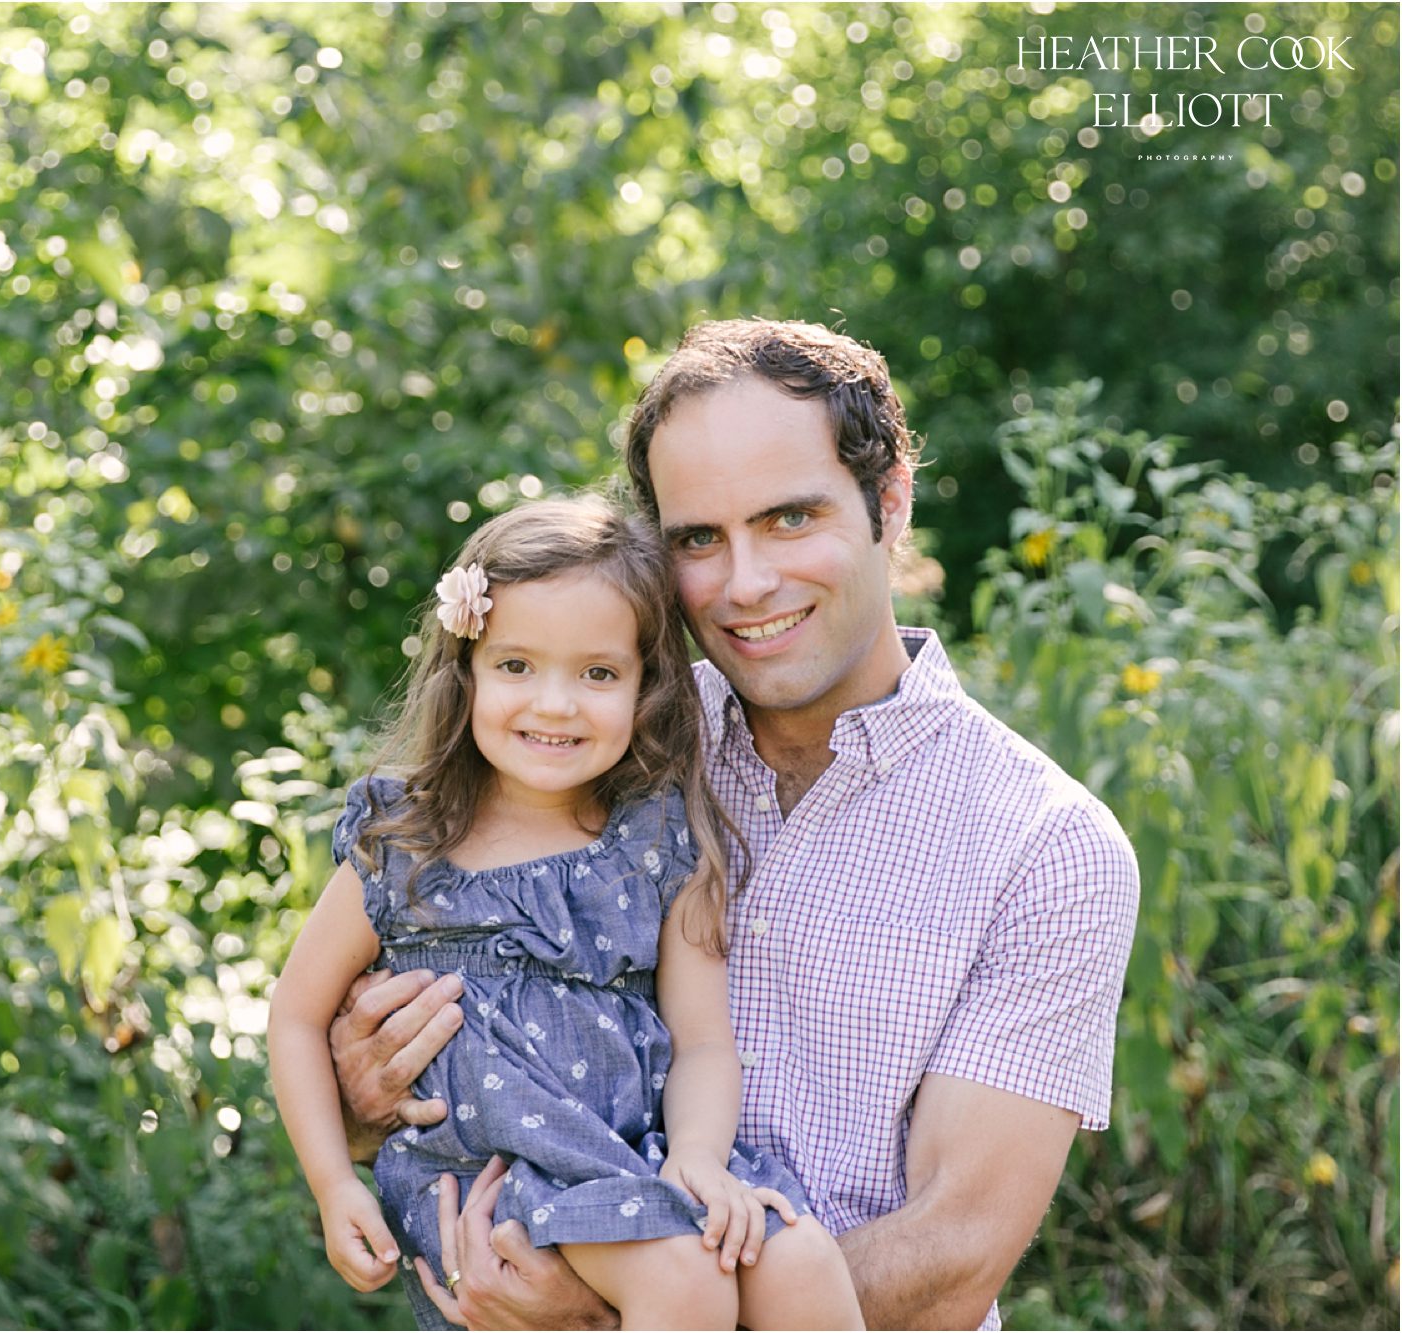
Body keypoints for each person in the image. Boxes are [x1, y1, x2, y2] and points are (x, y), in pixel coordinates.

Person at [327, 319, 1140, 1330]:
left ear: (889, 502)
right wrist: (364, 1099)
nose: (745, 583)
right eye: (698, 540)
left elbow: (951, 1252)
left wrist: (629, 1302)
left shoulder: (1046, 846)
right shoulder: (586, 753)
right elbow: (417, 1059)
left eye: (789, 518)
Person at [268, 498, 865, 1330]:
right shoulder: (407, 840)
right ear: (466, 670)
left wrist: (698, 1157)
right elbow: (296, 1014)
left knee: (802, 1261)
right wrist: (334, 1184)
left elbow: (703, 1041)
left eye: (597, 674)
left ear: (646, 688)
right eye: (516, 665)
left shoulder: (657, 841)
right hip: (493, 1181)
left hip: (635, 1159)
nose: (554, 704)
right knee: (686, 1275)